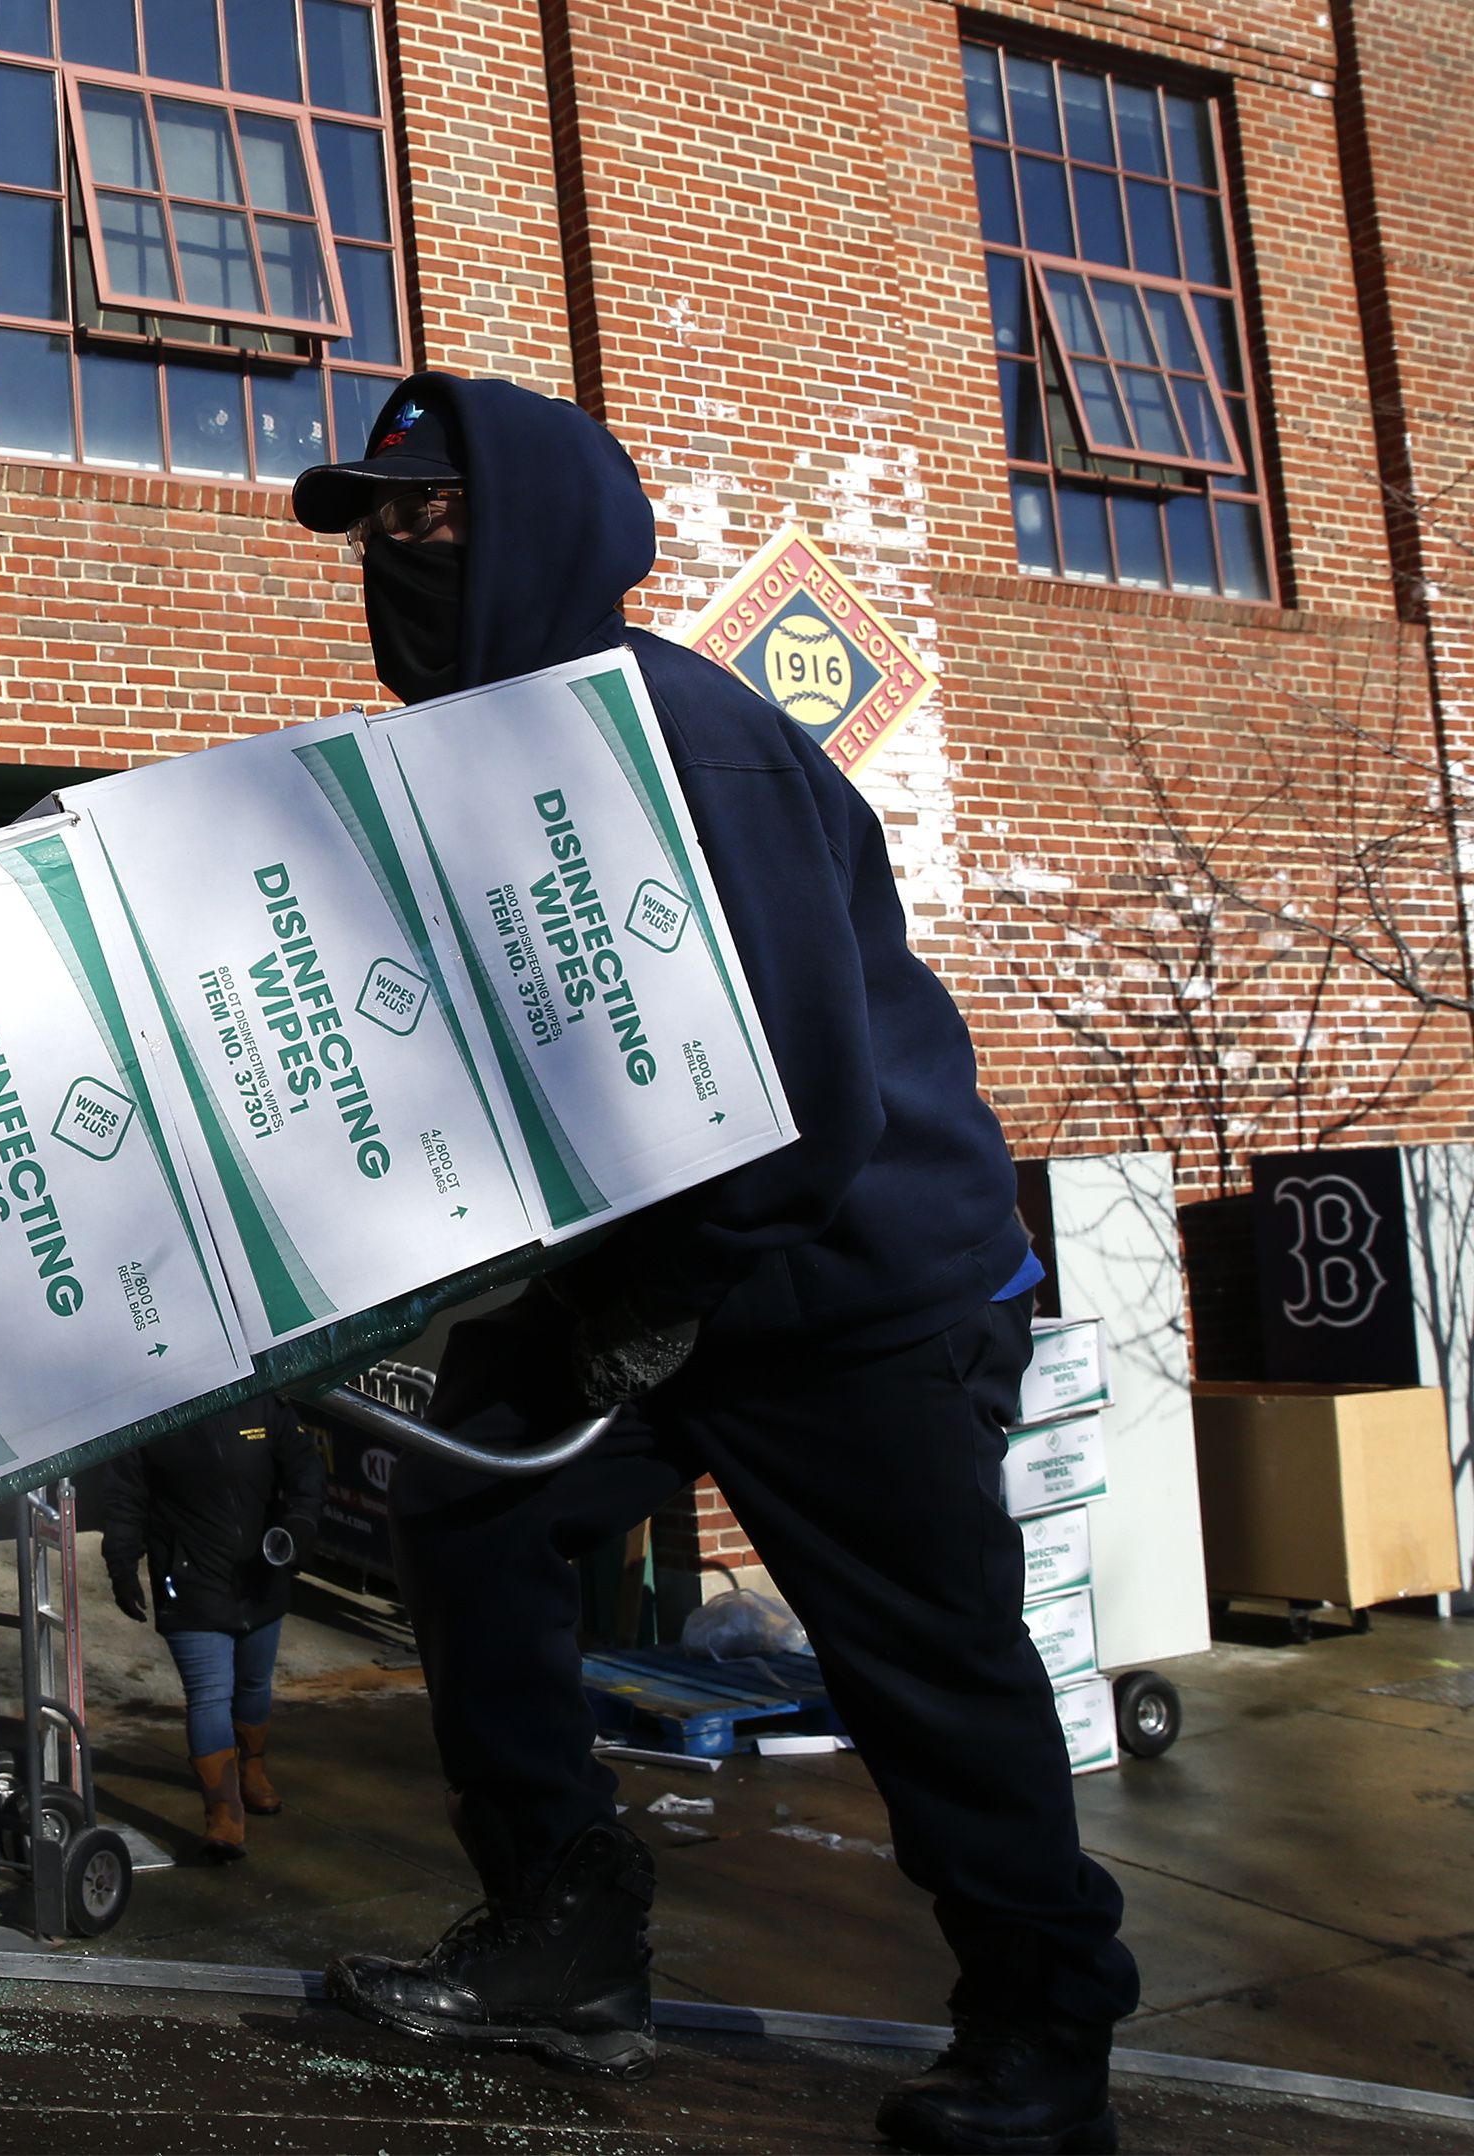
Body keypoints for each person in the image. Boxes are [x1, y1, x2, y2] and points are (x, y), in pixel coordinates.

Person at [287, 375, 1133, 2156]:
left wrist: (655, 1293)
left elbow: (808, 1097)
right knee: (474, 1515)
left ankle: (1045, 2030)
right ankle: (564, 1936)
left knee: (928, 1665)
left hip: (854, 1283)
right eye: (376, 528)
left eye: (429, 518)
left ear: (531, 530)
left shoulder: (685, 739)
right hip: (652, 1278)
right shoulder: (464, 768)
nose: (395, 555)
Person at [93, 1395, 324, 1861]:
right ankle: (224, 1812)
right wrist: (122, 1564)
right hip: (190, 1582)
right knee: (210, 1693)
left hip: (261, 1573)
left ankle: (252, 1768)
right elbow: (125, 1497)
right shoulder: (149, 1409)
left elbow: (305, 1468)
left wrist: (299, 1525)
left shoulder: (261, 1401)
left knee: (255, 1683)